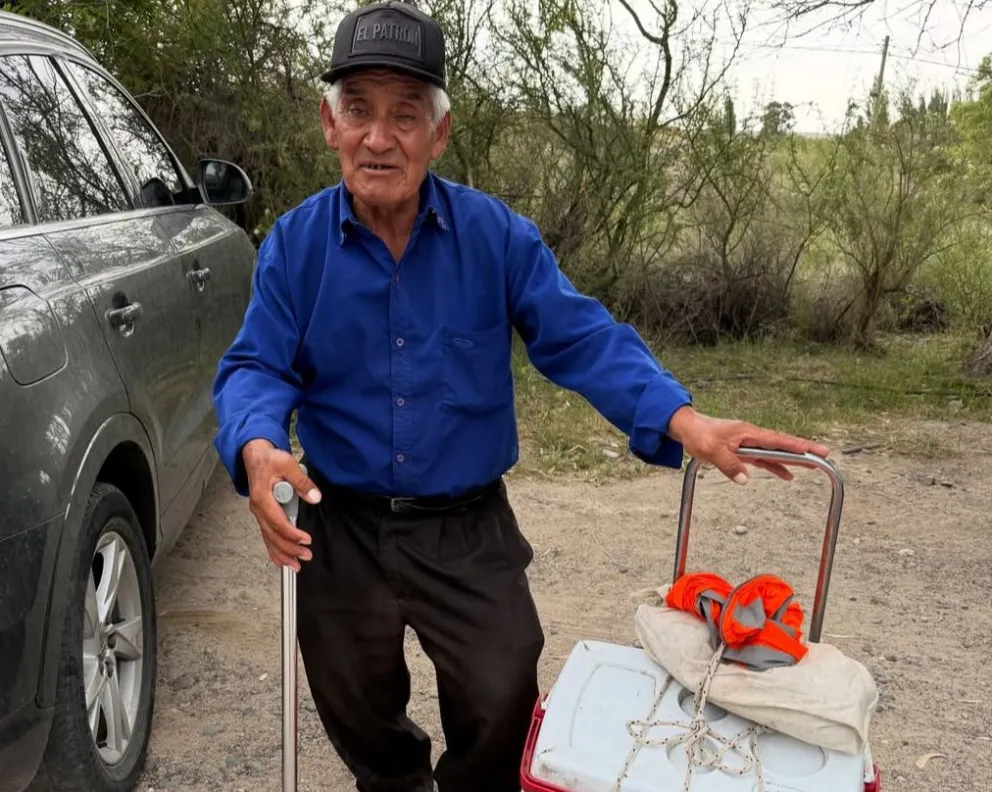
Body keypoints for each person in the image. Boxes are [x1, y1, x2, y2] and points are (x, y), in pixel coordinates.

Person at [211, 1, 830, 789]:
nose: (379, 137)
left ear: (439, 134)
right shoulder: (296, 246)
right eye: (359, 110)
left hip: (466, 524)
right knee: (354, 701)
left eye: (405, 115)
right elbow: (256, 366)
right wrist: (258, 446)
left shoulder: (496, 237)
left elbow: (581, 337)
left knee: (502, 691)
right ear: (330, 124)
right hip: (341, 523)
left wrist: (682, 419)